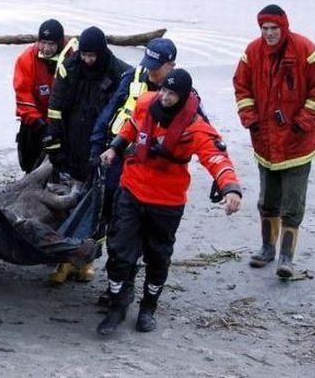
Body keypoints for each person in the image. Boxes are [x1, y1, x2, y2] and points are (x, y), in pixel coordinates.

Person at [96, 68, 242, 336]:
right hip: (131, 189)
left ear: (183, 97)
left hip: (166, 201)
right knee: (118, 252)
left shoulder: (195, 127)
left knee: (158, 257)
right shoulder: (145, 103)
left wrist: (230, 188)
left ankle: (148, 308)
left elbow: (216, 157)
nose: (164, 97)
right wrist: (114, 148)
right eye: (163, 90)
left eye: (171, 94)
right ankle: (117, 305)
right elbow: (132, 126)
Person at [233, 4, 315, 278]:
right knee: (267, 201)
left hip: (298, 145)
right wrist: (250, 118)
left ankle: (286, 258)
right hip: (265, 143)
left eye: (274, 28)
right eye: (265, 29)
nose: (269, 34)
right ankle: (267, 249)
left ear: (284, 27)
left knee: (293, 205)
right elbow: (241, 87)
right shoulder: (252, 52)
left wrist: (302, 124)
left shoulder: (305, 50)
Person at [89, 37, 177, 305]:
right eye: (148, 64)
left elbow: (202, 131)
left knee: (147, 233)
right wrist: (97, 145)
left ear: (171, 65)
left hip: (155, 171)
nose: (151, 71)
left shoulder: (181, 92)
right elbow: (111, 112)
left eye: (157, 66)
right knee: (117, 220)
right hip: (122, 159)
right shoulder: (133, 76)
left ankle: (132, 285)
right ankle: (119, 285)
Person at [44, 25, 131, 284]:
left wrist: (112, 149)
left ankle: (87, 261)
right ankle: (64, 261)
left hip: (100, 149)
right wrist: (55, 147)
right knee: (67, 205)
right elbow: (56, 108)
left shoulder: (120, 72)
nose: (88, 60)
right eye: (85, 55)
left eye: (92, 56)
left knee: (97, 209)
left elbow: (125, 114)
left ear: (102, 52)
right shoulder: (69, 67)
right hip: (71, 144)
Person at [13, 18, 67, 172]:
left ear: (60, 43)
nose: (46, 48)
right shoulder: (26, 59)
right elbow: (23, 95)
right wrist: (40, 125)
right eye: (43, 42)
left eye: (51, 44)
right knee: (29, 160)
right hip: (35, 121)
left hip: (60, 122)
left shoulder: (70, 58)